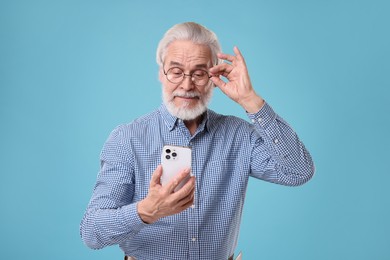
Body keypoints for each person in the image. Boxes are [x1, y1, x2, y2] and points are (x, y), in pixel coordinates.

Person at [80, 22, 315, 260]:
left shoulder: (239, 136)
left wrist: (250, 100)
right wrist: (146, 211)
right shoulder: (127, 139)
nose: (187, 84)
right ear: (161, 73)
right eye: (176, 71)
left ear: (214, 76)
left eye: (199, 73)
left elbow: (298, 172)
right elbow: (92, 232)